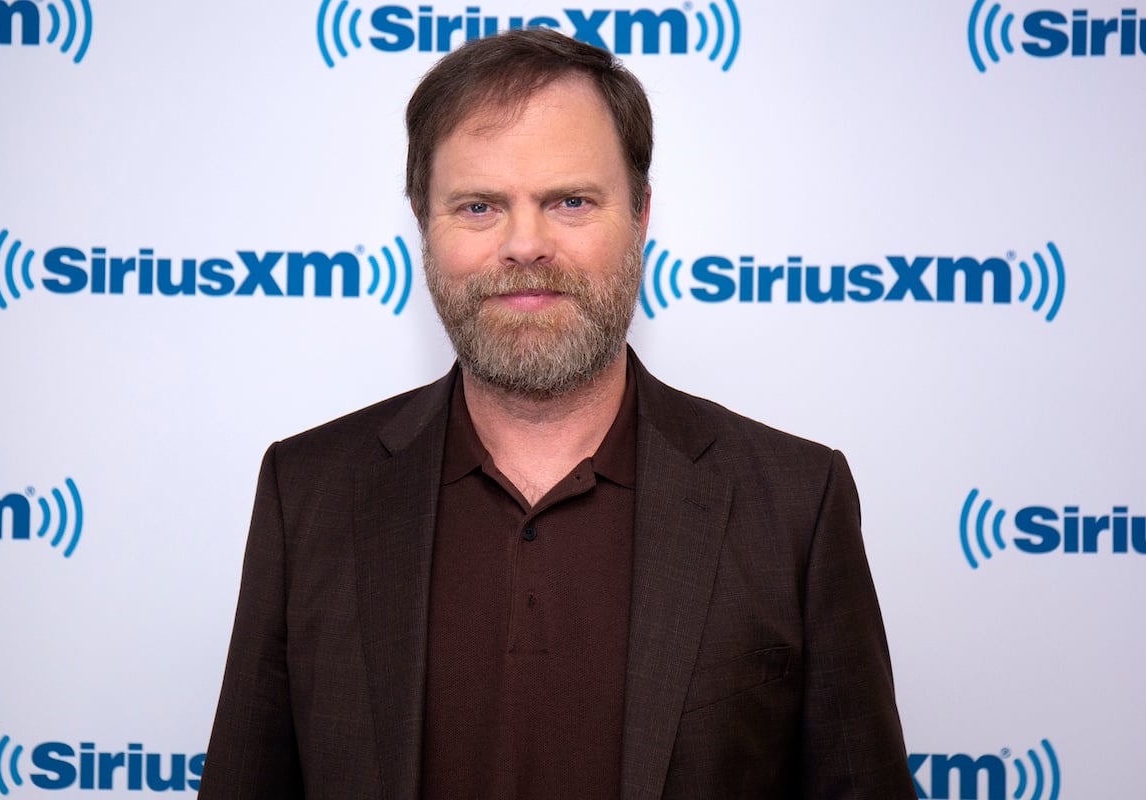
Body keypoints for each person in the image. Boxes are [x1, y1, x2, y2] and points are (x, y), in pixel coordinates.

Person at [198, 29, 915, 800]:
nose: (526, 245)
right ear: (422, 224)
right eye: (479, 206)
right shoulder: (307, 495)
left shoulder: (795, 504)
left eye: (570, 201)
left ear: (641, 215)